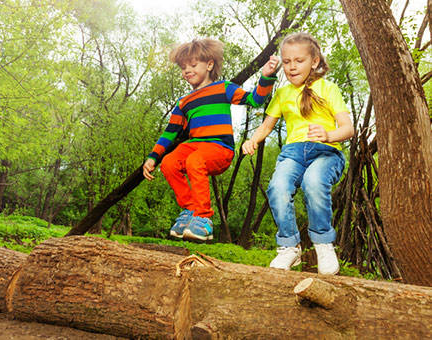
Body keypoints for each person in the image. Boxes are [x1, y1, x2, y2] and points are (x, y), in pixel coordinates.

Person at [143, 38, 279, 241]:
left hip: (219, 148)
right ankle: (191, 209)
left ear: (209, 64)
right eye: (183, 67)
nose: (187, 70)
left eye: (193, 64)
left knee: (194, 161)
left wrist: (266, 77)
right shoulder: (183, 102)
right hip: (195, 146)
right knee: (169, 163)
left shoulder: (224, 88)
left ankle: (204, 217)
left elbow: (255, 101)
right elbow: (169, 133)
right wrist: (153, 157)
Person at [242, 32, 354, 275]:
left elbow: (348, 129)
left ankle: (323, 243)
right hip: (293, 154)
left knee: (313, 181)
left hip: (326, 152)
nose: (292, 67)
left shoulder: (328, 88)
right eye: (287, 61)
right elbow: (266, 126)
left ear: (314, 61)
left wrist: (328, 134)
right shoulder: (282, 94)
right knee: (278, 186)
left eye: (299, 61)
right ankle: (289, 247)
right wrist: (252, 140)